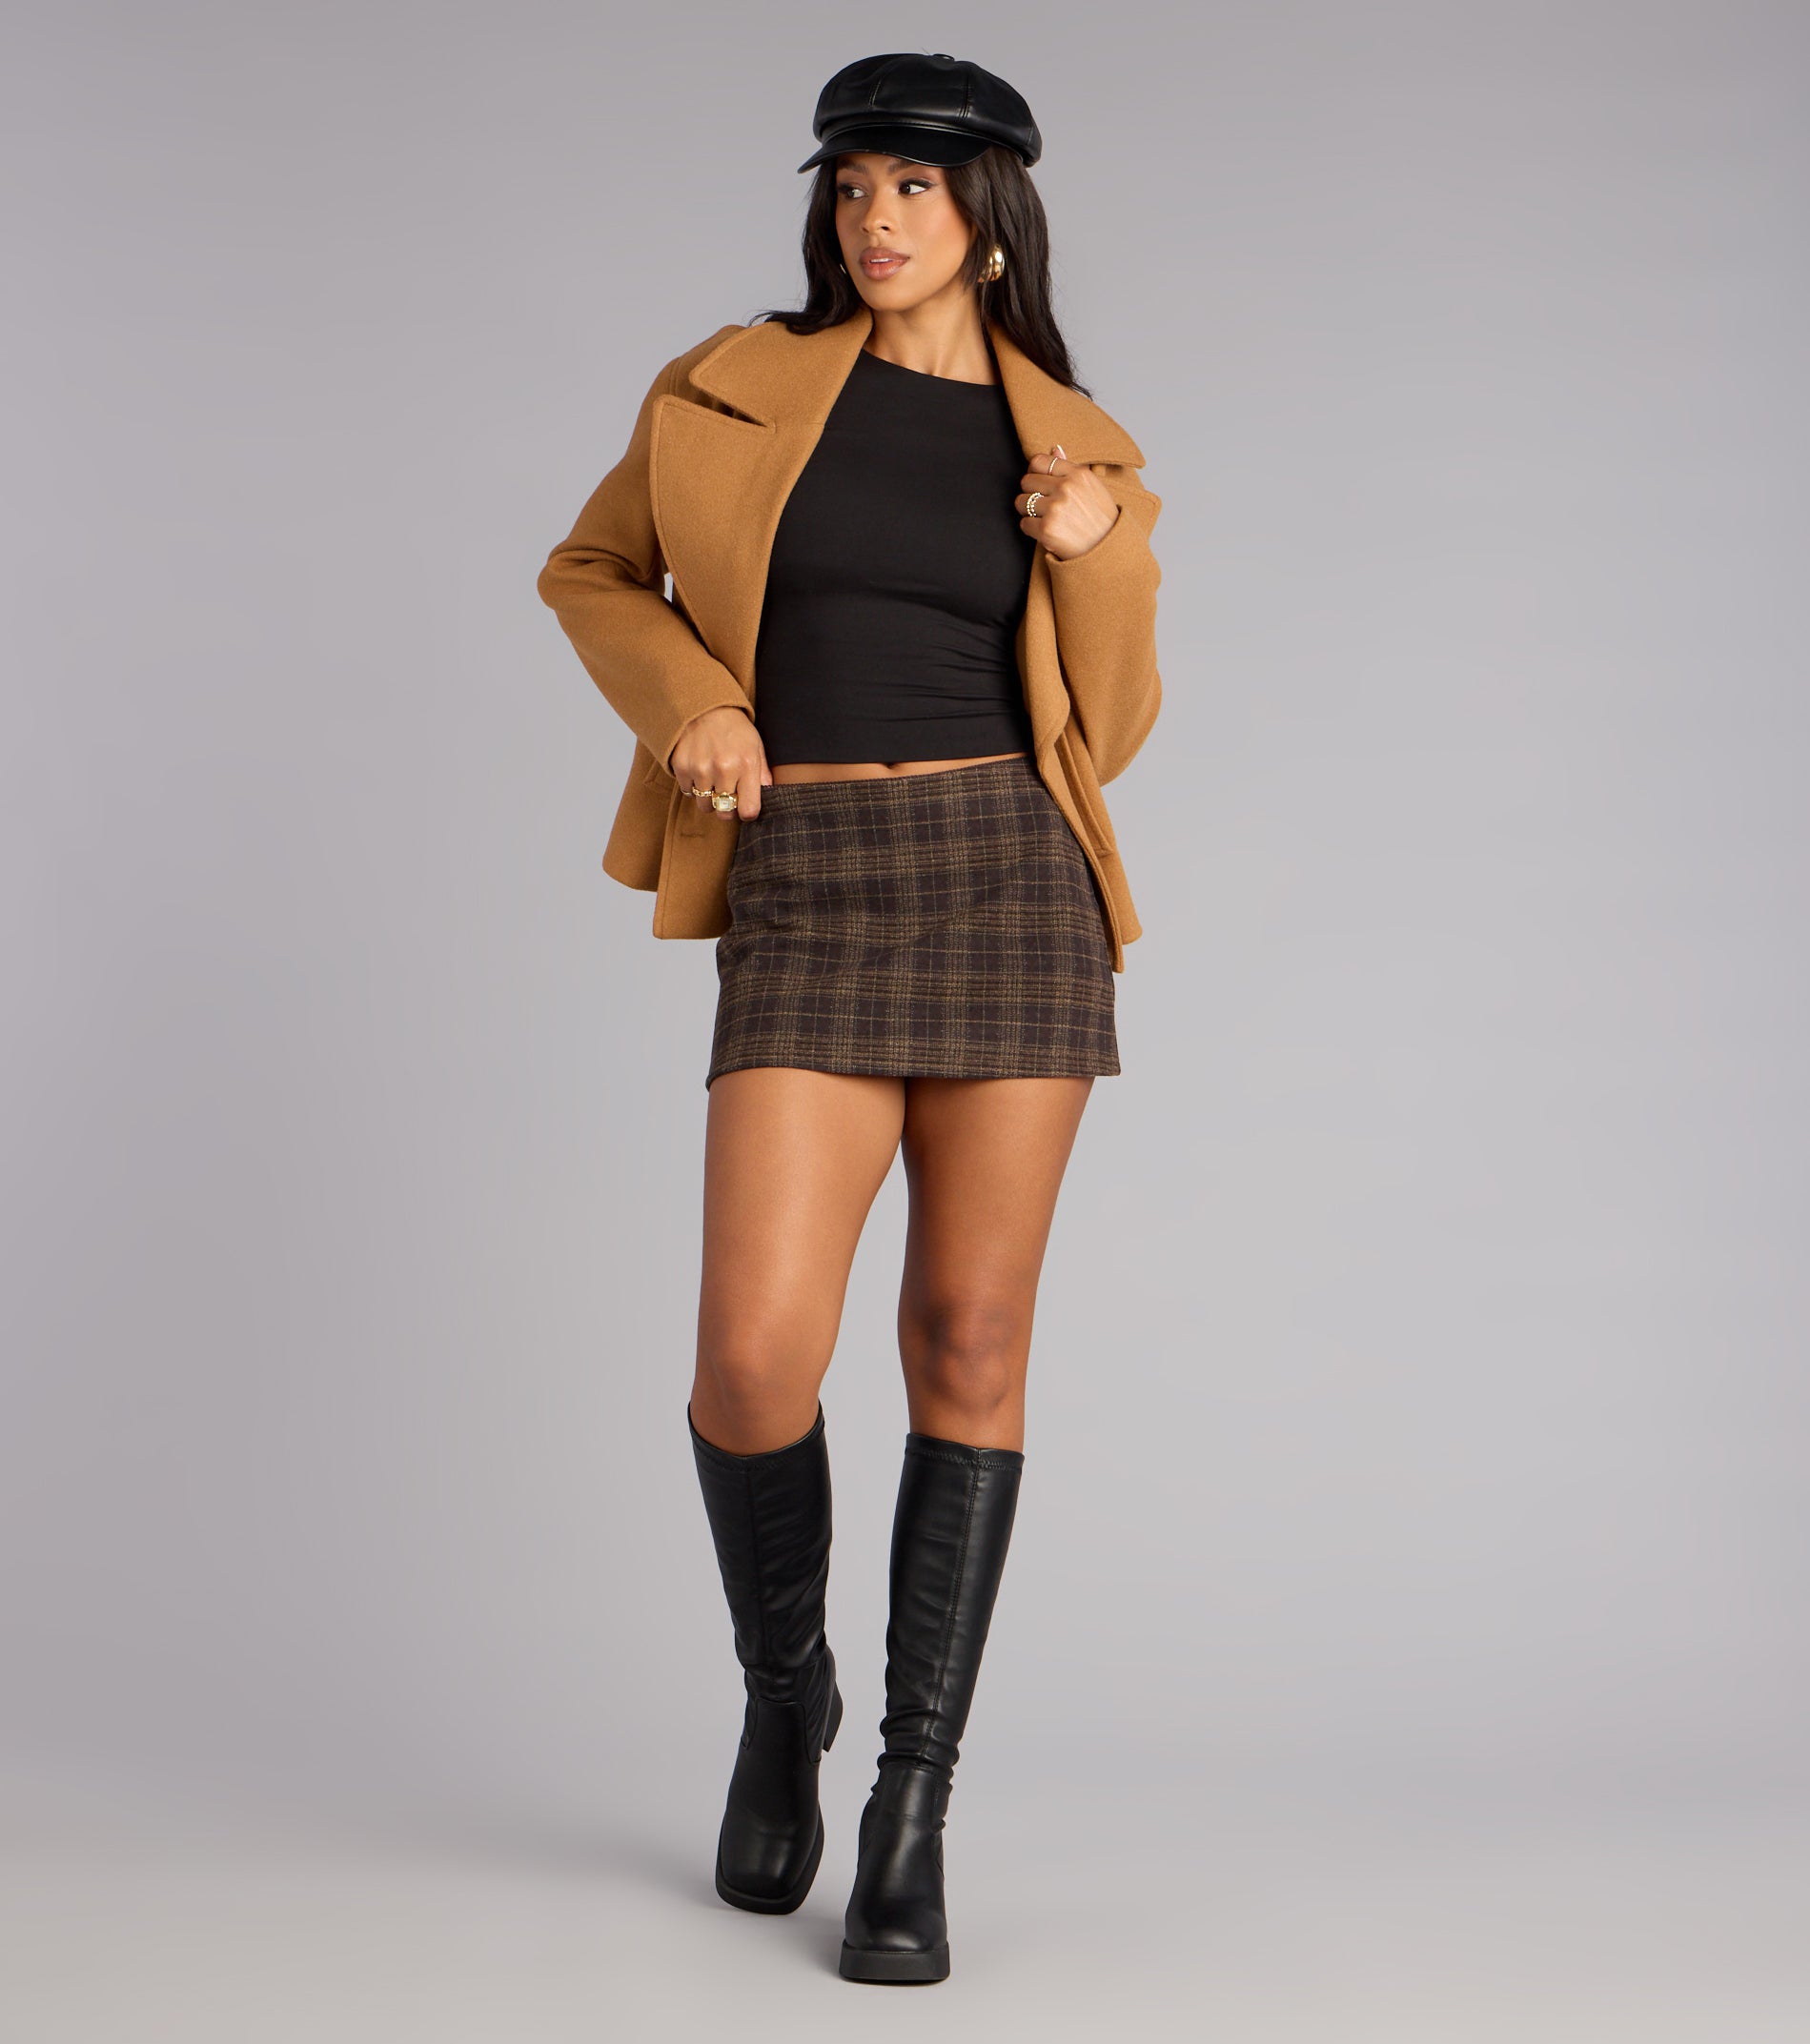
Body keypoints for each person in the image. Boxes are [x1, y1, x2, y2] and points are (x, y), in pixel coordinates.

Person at [535, 50, 1164, 1986]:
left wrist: (1097, 549)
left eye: (914, 186)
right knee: (752, 1358)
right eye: (852, 184)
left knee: (968, 1335)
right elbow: (590, 569)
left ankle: (909, 1803)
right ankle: (782, 1685)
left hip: (1010, 879)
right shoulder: (729, 384)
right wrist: (697, 705)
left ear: (992, 215)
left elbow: (1116, 724)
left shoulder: (1079, 448)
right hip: (807, 877)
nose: (875, 218)